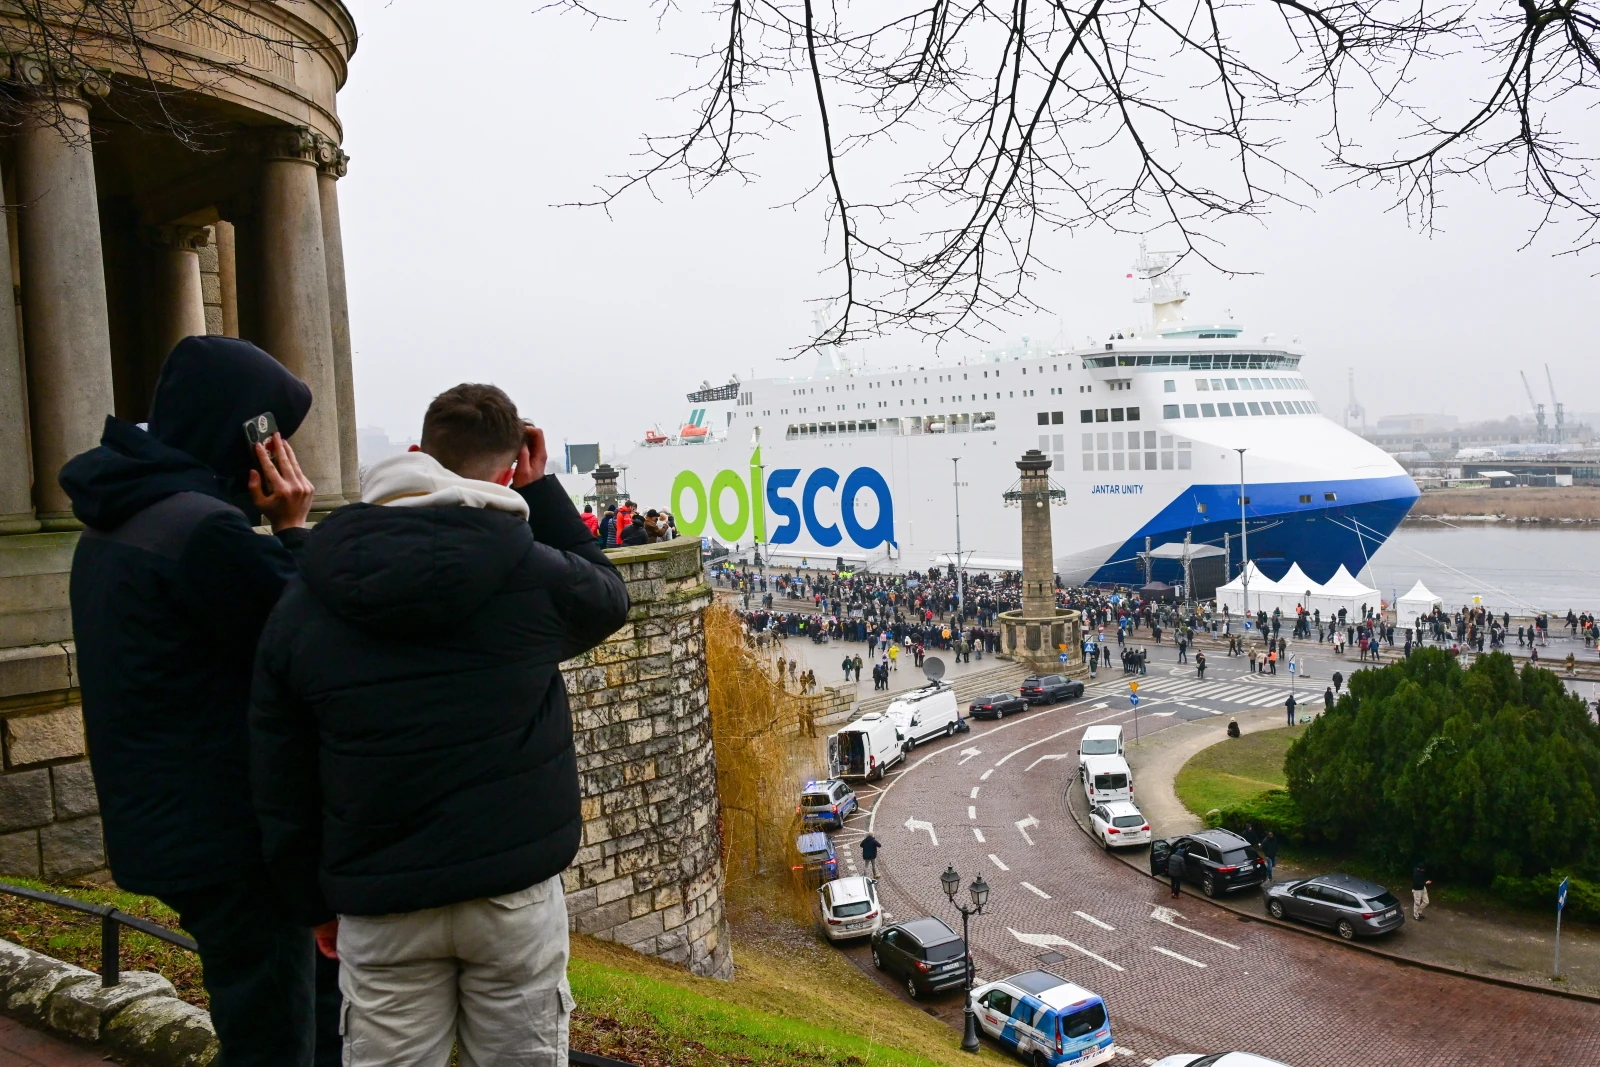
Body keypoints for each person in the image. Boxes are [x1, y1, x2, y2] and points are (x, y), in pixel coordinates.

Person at [250, 384, 631, 1066]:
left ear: (420, 454)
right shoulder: (527, 575)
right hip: (510, 888)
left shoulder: (313, 585)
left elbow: (281, 768)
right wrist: (541, 492)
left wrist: (311, 901)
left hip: (381, 894)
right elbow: (607, 595)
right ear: (513, 464)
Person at [60, 336, 338, 1067]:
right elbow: (311, 638)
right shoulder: (205, 530)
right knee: (275, 1037)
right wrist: (295, 530)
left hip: (168, 824)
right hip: (233, 838)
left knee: (293, 1007)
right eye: (272, 432)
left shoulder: (118, 515)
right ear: (246, 431)